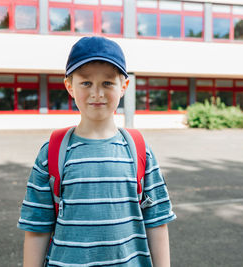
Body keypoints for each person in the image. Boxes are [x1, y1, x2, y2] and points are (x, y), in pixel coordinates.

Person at [17, 36, 176, 267]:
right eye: (86, 83)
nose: (97, 93)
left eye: (107, 83)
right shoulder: (53, 151)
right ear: (69, 86)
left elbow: (157, 221)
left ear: (124, 86)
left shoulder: (139, 150)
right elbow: (36, 227)